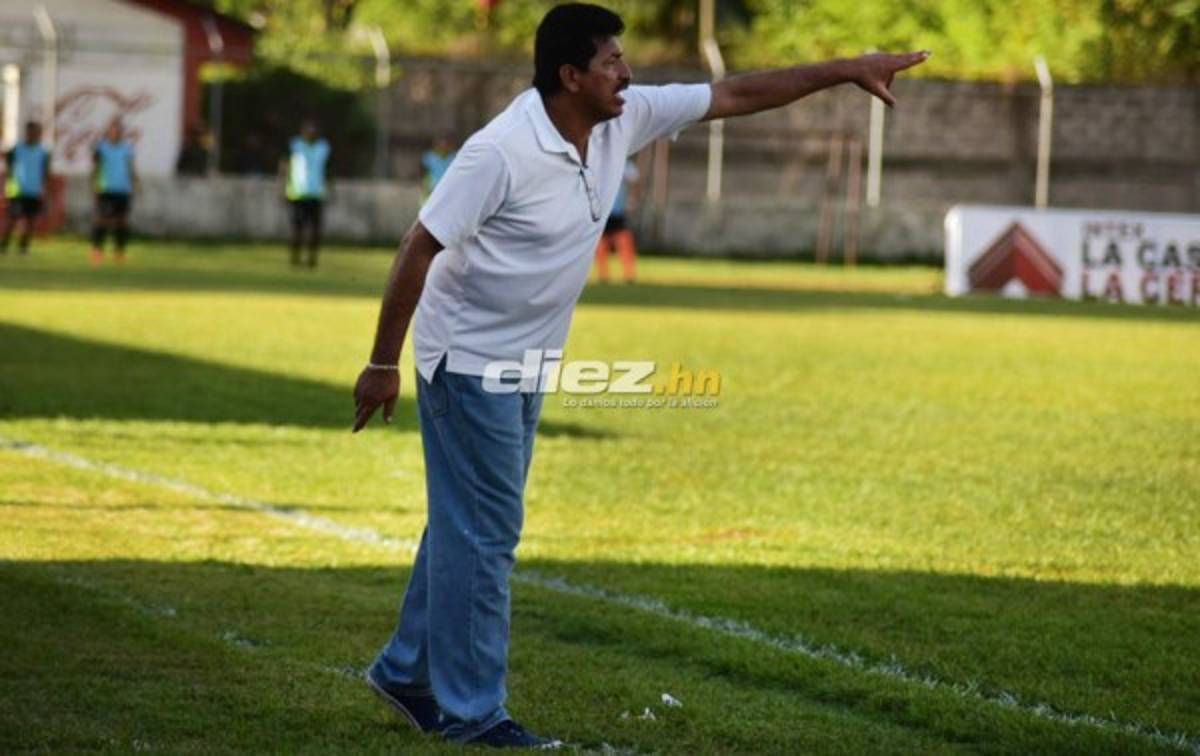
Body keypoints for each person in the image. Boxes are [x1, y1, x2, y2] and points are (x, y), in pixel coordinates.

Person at [352, 3, 928, 748]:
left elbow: (738, 94)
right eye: (612, 61)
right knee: (486, 535)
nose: (628, 72)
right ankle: (473, 716)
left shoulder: (620, 118)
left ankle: (405, 671)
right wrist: (380, 363)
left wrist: (847, 70)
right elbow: (416, 248)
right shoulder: (499, 151)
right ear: (571, 76)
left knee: (467, 526)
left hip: (527, 363)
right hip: (467, 364)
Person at [281, 121, 330, 268]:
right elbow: (284, 166)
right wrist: (281, 187)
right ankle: (295, 259)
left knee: (315, 230)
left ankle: (312, 260)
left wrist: (331, 189)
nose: (311, 134)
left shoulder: (324, 147)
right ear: (302, 132)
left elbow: (328, 169)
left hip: (316, 194)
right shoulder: (295, 145)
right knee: (297, 229)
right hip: (297, 194)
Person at [1, 121, 51, 256]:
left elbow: (45, 173)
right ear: (27, 133)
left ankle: (23, 247)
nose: (35, 135)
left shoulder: (43, 153)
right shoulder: (17, 150)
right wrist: (5, 187)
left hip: (34, 191)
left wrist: (45, 191)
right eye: (33, 132)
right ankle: (4, 246)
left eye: (37, 132)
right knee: (13, 219)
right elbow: (8, 169)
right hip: (17, 191)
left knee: (31, 221)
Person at [90, 121, 137, 265]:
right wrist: (94, 185)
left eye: (119, 131)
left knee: (122, 222)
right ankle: (97, 251)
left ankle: (119, 252)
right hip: (106, 189)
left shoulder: (127, 148)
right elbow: (96, 168)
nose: (116, 133)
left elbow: (131, 168)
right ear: (109, 132)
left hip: (123, 189)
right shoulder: (101, 148)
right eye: (113, 131)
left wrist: (135, 185)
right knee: (102, 220)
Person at [592, 157, 640, 283]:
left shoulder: (623, 163)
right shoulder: (595, 161)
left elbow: (634, 181)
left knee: (624, 240)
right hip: (600, 210)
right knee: (601, 242)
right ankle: (603, 275)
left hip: (617, 209)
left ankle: (629, 274)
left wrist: (632, 201)